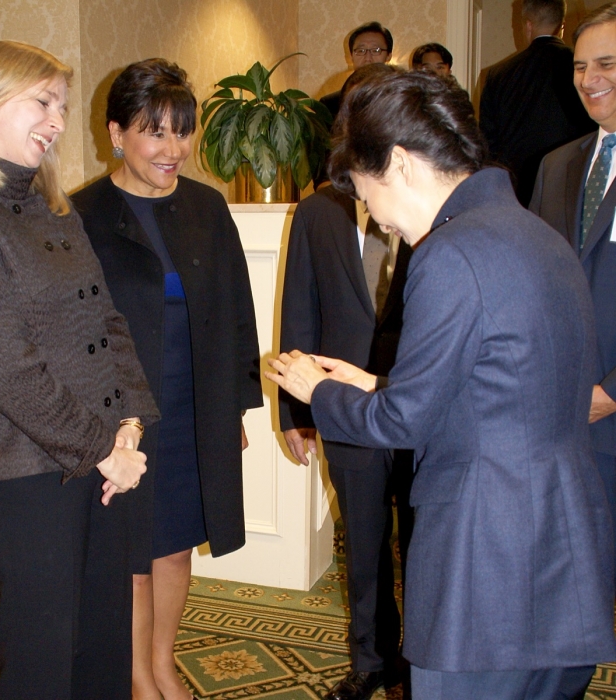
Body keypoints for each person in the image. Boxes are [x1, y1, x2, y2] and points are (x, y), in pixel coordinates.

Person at [266, 69, 616, 700]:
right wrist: (374, 381)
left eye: (367, 193)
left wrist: (318, 391)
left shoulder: (450, 252)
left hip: (484, 566)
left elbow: (405, 423)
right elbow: (498, 387)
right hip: (562, 550)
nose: (373, 215)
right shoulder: (541, 237)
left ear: (399, 163)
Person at [0, 41, 158, 700]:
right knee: (42, 664)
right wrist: (104, 447)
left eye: (62, 105)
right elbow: (5, 365)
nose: (56, 120)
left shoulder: (55, 206)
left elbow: (109, 324)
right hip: (22, 475)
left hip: (103, 461)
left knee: (104, 647)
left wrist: (130, 424)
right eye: (42, 101)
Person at [72, 58, 262, 700]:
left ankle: (162, 663)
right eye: (156, 132)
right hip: (121, 420)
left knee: (176, 547)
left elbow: (237, 308)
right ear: (116, 132)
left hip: (192, 408)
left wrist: (234, 408)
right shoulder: (81, 216)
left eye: (183, 132)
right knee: (131, 560)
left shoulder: (206, 206)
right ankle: (136, 677)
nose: (173, 149)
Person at [280, 63, 412, 700]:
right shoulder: (317, 211)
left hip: (418, 404)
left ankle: (422, 666)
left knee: (424, 546)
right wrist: (294, 409)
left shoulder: (429, 202)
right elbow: (298, 310)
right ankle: (372, 662)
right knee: (363, 545)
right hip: (343, 411)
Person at [530, 1, 616, 591]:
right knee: (569, 579)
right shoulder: (558, 165)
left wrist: (612, 391)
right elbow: (532, 280)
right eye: (581, 66)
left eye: (607, 63)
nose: (590, 80)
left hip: (610, 399)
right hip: (559, 414)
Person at [480, 0, 595, 206]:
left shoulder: (498, 75)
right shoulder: (580, 69)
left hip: (514, 193)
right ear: (562, 26)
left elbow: (488, 145)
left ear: (528, 25)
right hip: (568, 187)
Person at [320, 22, 393, 123]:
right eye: (361, 50)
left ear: (389, 56)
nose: (367, 58)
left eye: (376, 50)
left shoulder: (402, 98)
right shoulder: (330, 104)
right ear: (351, 56)